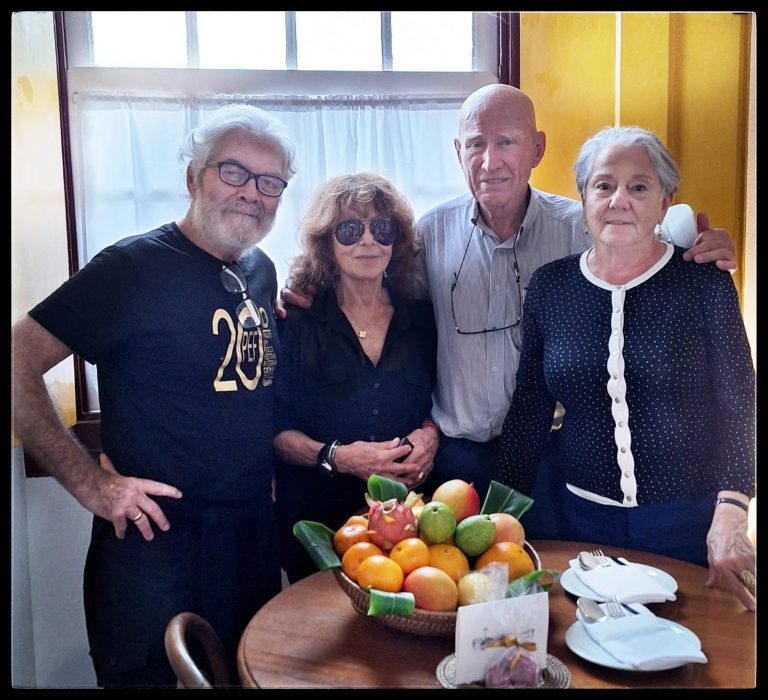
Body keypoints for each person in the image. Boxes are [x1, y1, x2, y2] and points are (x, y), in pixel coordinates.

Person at [279, 84, 737, 534]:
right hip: (454, 459)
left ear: (537, 148)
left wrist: (699, 246)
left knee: (544, 592)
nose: (490, 160)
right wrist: (306, 283)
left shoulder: (584, 227)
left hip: (555, 458)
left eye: (507, 142)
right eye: (476, 143)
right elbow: (377, 284)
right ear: (459, 151)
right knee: (455, 591)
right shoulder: (429, 235)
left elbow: (652, 246)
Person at [11, 104, 297, 686]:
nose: (252, 194)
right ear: (193, 178)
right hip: (154, 545)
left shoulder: (262, 270)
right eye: (234, 172)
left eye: (271, 183)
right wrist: (91, 483)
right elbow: (16, 360)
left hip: (248, 539)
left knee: (251, 674)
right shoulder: (130, 268)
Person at [496, 126, 755, 610]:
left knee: (696, 661)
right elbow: (529, 410)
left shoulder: (704, 282)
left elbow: (740, 402)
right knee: (590, 658)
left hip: (688, 523)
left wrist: (733, 511)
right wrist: (496, 516)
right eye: (603, 185)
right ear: (583, 199)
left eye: (639, 187)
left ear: (665, 201)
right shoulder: (550, 287)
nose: (620, 200)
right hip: (580, 523)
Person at [273, 173, 437, 583]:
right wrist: (338, 456)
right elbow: (273, 432)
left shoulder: (422, 320)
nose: (367, 241)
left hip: (407, 529)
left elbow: (439, 401)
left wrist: (430, 435)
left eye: (381, 229)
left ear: (395, 241)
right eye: (349, 229)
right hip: (318, 525)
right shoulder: (294, 322)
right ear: (327, 242)